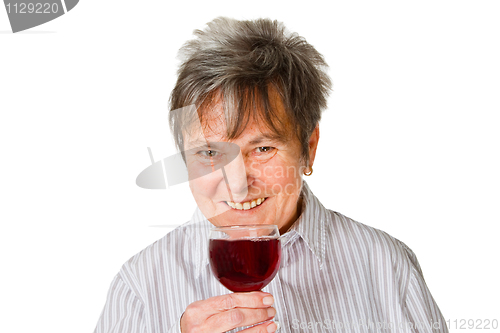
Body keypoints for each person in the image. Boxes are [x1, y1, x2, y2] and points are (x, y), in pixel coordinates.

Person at [94, 17, 447, 333]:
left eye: (262, 149)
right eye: (209, 152)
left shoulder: (387, 265)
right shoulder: (139, 285)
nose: (236, 182)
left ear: (309, 146)